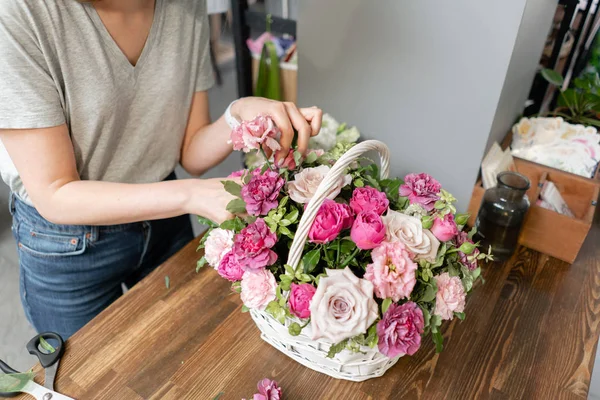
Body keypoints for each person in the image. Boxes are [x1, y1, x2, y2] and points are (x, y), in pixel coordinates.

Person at [0, 0, 322, 339]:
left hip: (164, 214)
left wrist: (238, 114)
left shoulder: (186, 5)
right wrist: (190, 195)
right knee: (93, 380)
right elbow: (55, 192)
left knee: (185, 350)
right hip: (69, 244)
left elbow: (190, 152)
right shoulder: (21, 14)